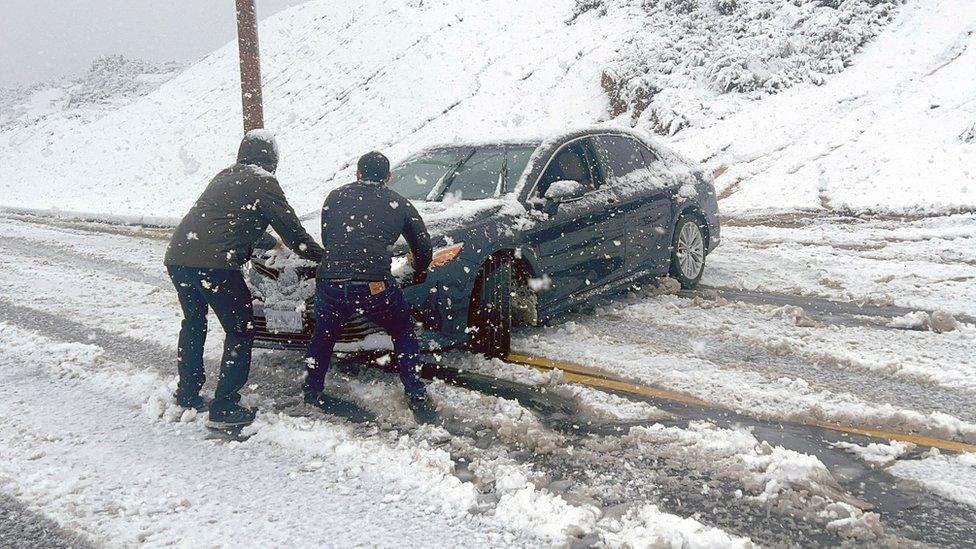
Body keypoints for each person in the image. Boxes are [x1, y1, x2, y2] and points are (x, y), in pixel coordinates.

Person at [164, 130, 324, 428]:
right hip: (216, 265)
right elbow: (294, 232)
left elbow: (231, 221)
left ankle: (187, 394)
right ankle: (224, 408)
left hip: (179, 257)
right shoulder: (264, 181)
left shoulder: (226, 176)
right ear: (272, 159)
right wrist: (325, 258)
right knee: (240, 329)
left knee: (194, 323)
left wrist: (271, 244)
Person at [304, 151, 434, 418]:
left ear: (357, 174)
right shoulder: (399, 203)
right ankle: (414, 389)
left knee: (324, 334)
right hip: (374, 284)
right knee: (402, 330)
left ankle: (312, 388)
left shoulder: (335, 196)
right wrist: (418, 269)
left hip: (330, 281)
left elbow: (329, 239)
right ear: (388, 177)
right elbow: (423, 248)